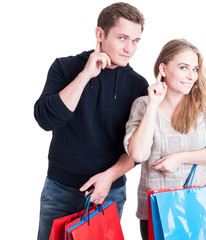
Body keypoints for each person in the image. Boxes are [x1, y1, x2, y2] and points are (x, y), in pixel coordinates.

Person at [34, 2, 148, 239]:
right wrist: (86, 75)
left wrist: (109, 177)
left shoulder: (138, 85)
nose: (129, 48)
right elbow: (46, 120)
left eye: (135, 41)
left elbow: (137, 150)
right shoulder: (65, 67)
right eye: (122, 38)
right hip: (60, 191)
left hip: (108, 193)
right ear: (100, 34)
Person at [123, 39, 206, 239]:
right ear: (163, 69)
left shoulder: (204, 104)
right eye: (183, 68)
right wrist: (153, 105)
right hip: (155, 210)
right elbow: (138, 153)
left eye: (195, 69)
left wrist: (180, 158)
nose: (191, 76)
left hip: (197, 206)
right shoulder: (143, 105)